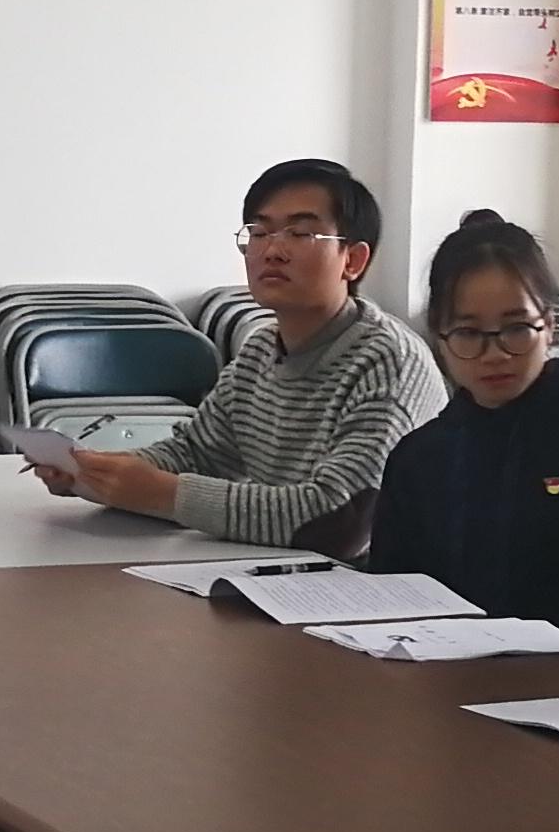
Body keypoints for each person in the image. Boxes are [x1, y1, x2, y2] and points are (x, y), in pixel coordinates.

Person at [33, 158, 440, 550]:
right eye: (259, 233)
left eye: (300, 234)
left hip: (372, 589)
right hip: (278, 574)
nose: (273, 250)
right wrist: (95, 472)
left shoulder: (389, 362)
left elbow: (340, 523)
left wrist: (164, 495)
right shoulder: (261, 350)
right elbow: (195, 454)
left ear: (353, 260)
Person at [364, 213, 559, 648]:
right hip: (446, 673)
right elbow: (392, 601)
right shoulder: (420, 457)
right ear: (439, 335)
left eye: (516, 328)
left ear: (550, 325)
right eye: (468, 333)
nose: (494, 354)